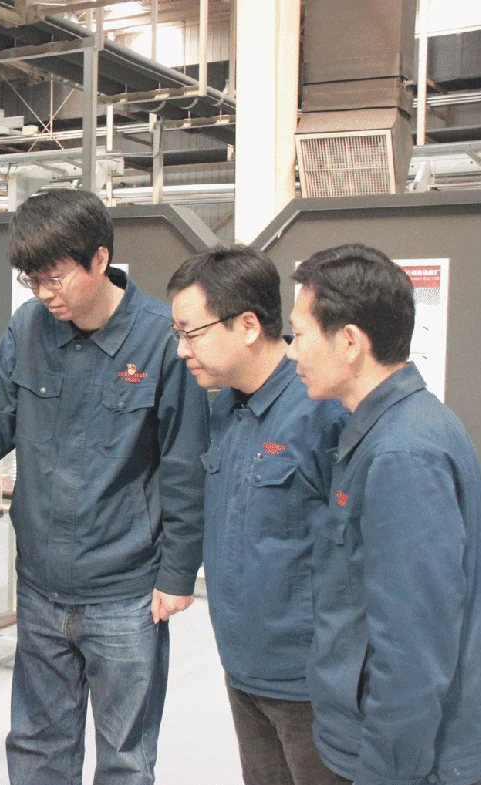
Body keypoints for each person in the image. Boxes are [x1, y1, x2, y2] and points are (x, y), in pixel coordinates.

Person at [0, 189, 208, 785]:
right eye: (32, 281)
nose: (43, 294)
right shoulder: (29, 326)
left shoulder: (161, 340)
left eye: (54, 279)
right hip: (40, 587)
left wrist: (178, 574)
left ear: (100, 259)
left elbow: (185, 465)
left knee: (126, 757)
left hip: (126, 593)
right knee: (37, 747)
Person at [288, 244, 481, 785]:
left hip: (404, 762)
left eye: (300, 334)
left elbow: (412, 652)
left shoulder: (403, 454)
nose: (292, 353)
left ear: (350, 342)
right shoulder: (389, 431)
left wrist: (386, 773)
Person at [168, 247, 346, 785]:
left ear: (248, 325)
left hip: (312, 684)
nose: (181, 350)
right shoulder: (225, 405)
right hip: (243, 668)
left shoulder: (323, 410)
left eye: (192, 333)